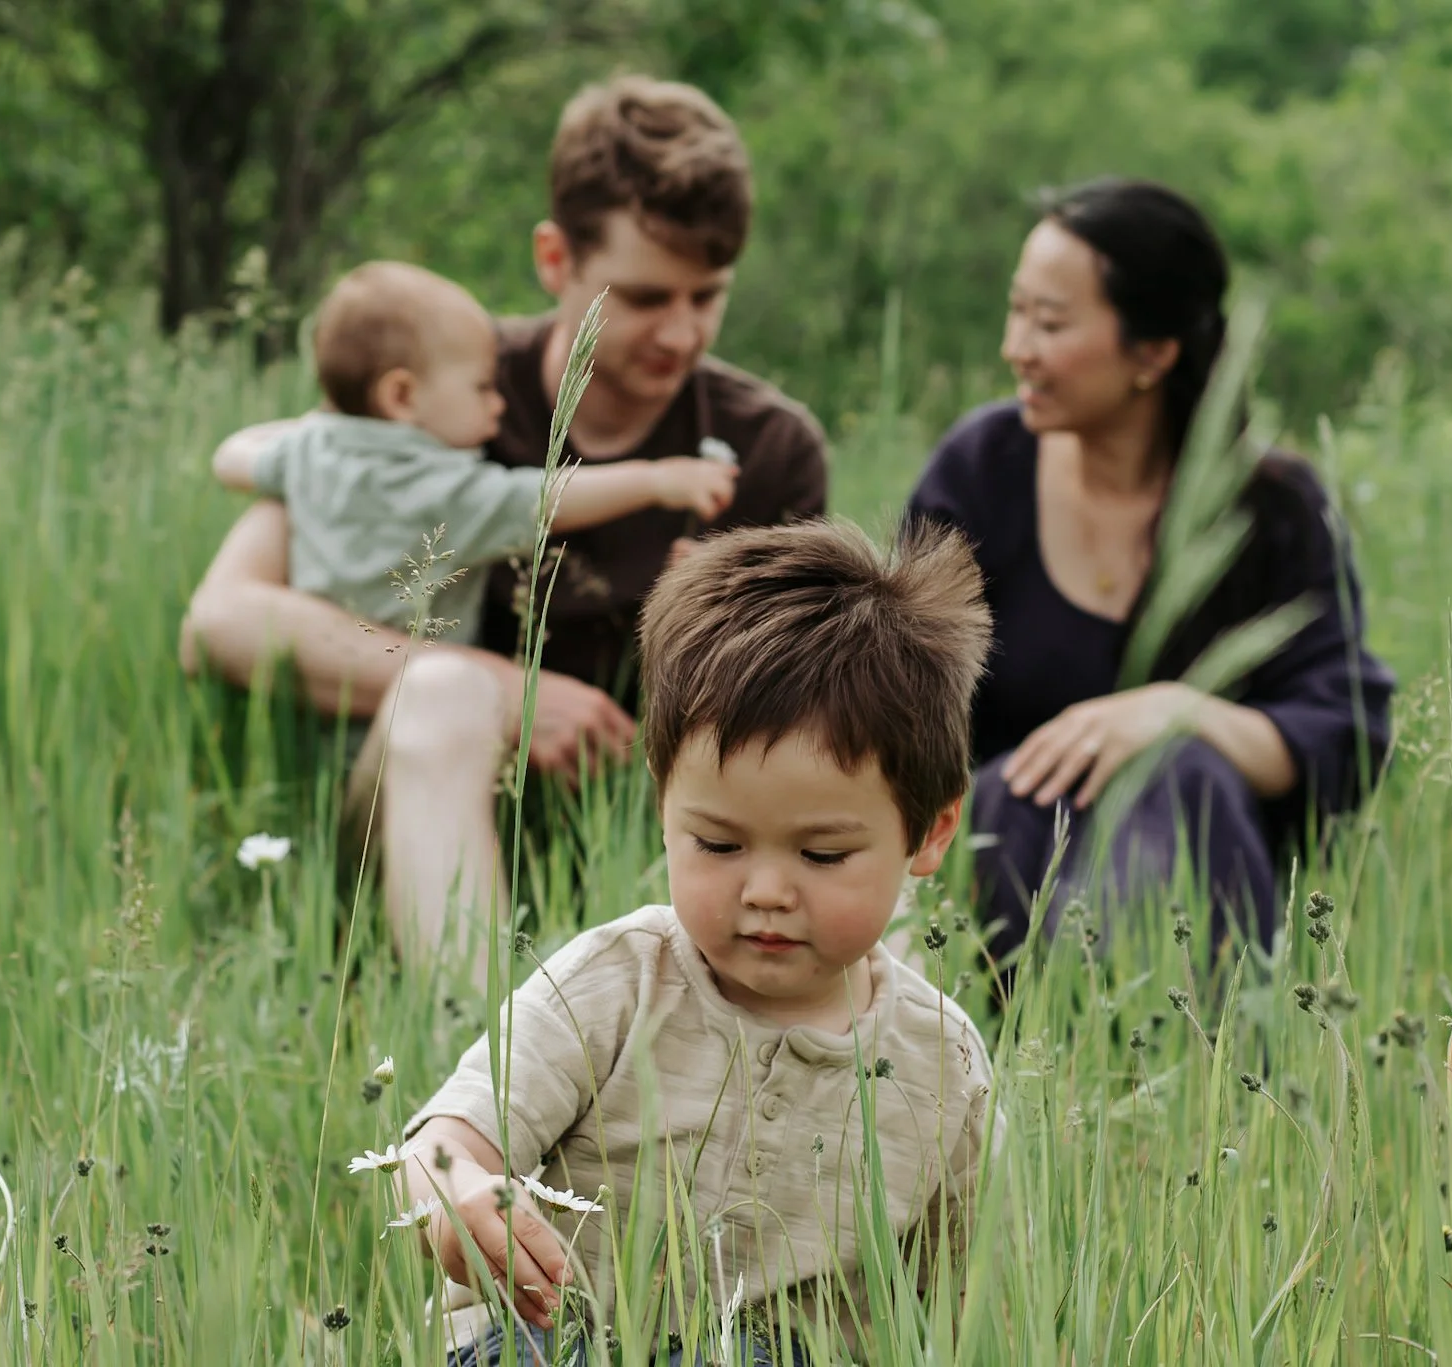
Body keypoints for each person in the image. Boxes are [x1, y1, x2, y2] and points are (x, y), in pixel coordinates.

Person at [179, 78, 829, 969]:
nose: (682, 334)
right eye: (643, 298)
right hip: (420, 798)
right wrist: (501, 690)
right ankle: (479, 1065)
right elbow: (223, 621)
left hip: (659, 838)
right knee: (442, 700)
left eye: (706, 296)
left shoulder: (769, 447)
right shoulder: (436, 380)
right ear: (555, 259)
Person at [372, 520, 998, 1364]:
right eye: (718, 844)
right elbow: (450, 1134)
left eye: (821, 854)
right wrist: (459, 1194)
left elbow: (971, 1304)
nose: (766, 890)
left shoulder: (942, 1065)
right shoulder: (618, 982)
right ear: (665, 805)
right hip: (559, 1337)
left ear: (930, 831)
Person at [902, 177, 1394, 971]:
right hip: (998, 883)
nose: (1014, 346)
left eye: (1049, 321)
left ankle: (1184, 1053)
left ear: (1154, 351)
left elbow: (1347, 734)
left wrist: (1179, 712)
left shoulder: (1270, 513)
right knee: (1012, 792)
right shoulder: (980, 471)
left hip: (1194, 901)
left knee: (1180, 772)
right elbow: (900, 697)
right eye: (1016, 308)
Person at [210, 261, 737, 655]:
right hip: (407, 705)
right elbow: (542, 498)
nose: (499, 403)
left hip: (320, 696)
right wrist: (656, 480)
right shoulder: (436, 490)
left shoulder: (310, 450)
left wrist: (315, 434)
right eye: (483, 387)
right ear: (402, 397)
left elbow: (230, 458)